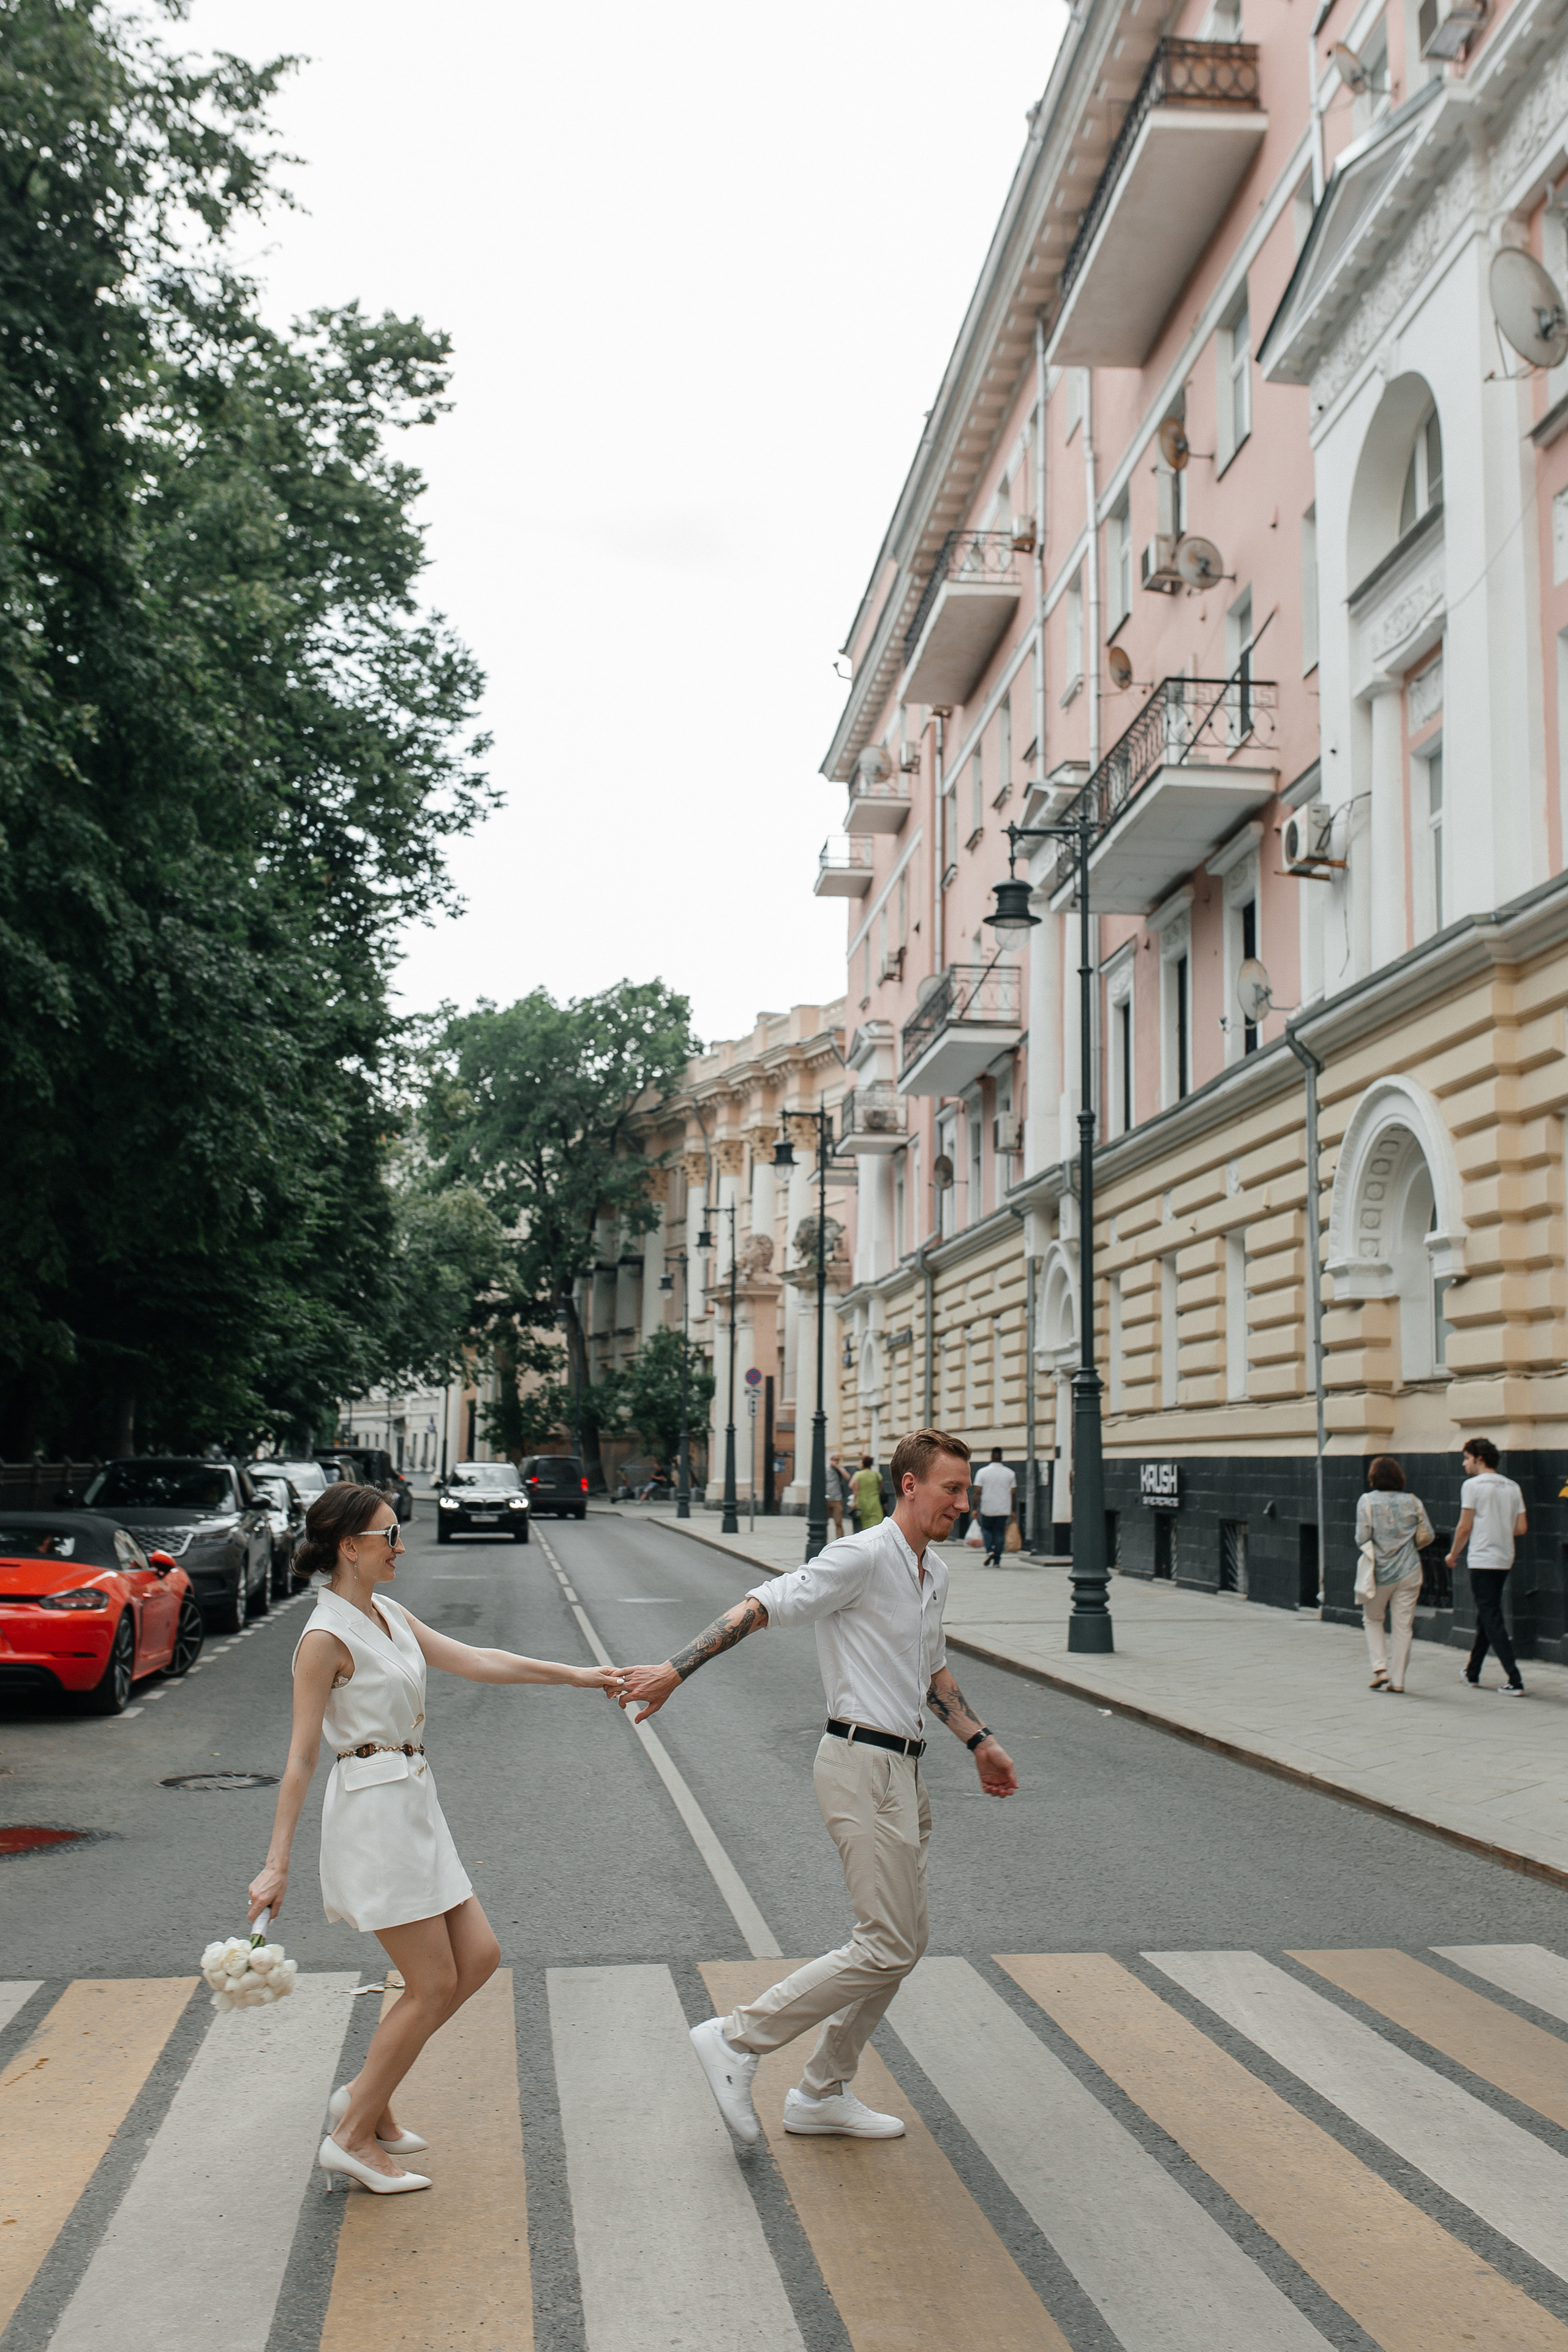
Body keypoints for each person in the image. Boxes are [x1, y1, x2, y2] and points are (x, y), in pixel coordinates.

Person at [620, 1429, 1017, 2146]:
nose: (962, 1503)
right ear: (909, 1486)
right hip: (859, 1765)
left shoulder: (933, 1573)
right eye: (951, 1489)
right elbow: (761, 1604)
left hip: (905, 1768)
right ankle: (737, 2040)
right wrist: (677, 1670)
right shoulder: (861, 1556)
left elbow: (931, 1673)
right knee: (885, 1944)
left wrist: (980, 1742)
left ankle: (821, 2093)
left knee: (904, 1941)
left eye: (964, 1491)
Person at [247, 1482, 624, 2194]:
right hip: (373, 1814)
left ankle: (366, 2094)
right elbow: (299, 1758)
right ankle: (354, 2135)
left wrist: (580, 1677)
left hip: (414, 1802)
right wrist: (276, 1866)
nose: (400, 1547)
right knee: (433, 1982)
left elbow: (478, 1659)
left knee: (477, 1957)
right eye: (388, 1536)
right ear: (349, 1548)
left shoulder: (387, 1613)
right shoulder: (324, 1638)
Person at [1447, 1435, 1528, 1694]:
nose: (1464, 1464)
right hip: (1504, 1557)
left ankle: (1514, 1679)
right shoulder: (1513, 1487)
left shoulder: (1473, 1486)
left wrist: (1453, 1554)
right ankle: (1472, 1671)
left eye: (1467, 1458)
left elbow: (1464, 1526)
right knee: (1487, 1612)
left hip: (1482, 1558)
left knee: (1491, 1615)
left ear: (1479, 1459)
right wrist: (1500, 1529)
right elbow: (1521, 1527)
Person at [1355, 1455, 1433, 1694]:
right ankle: (1398, 1681)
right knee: (1403, 1627)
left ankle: (1380, 1670)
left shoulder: (1367, 1501)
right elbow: (1428, 1533)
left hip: (1379, 1572)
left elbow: (1362, 1537)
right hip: (1410, 1571)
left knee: (1373, 1619)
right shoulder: (1413, 1501)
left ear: (1373, 1478)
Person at [974, 1447, 1017, 1566]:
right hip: (1004, 1509)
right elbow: (1013, 1493)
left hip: (987, 1508)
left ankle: (990, 1550)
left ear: (991, 1457)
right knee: (999, 1532)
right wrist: (1014, 1510)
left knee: (986, 1530)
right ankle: (997, 1560)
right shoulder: (1010, 1474)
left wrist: (974, 1508)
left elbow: (977, 1491)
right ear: (1002, 1457)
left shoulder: (982, 1472)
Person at [851, 1455, 883, 1531]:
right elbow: (880, 1488)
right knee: (877, 1525)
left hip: (862, 1503)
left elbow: (856, 1490)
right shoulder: (877, 1475)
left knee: (865, 1526)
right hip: (875, 1503)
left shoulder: (859, 1475)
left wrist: (855, 1502)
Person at [824, 1452, 848, 1539]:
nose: (836, 1462)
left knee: (838, 1522)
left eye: (838, 1460)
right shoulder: (826, 1469)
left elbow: (847, 1477)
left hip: (837, 1499)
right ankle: (823, 1540)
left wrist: (838, 1468)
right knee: (824, 1523)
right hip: (826, 1499)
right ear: (831, 1460)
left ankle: (839, 1540)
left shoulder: (840, 1469)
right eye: (835, 1460)